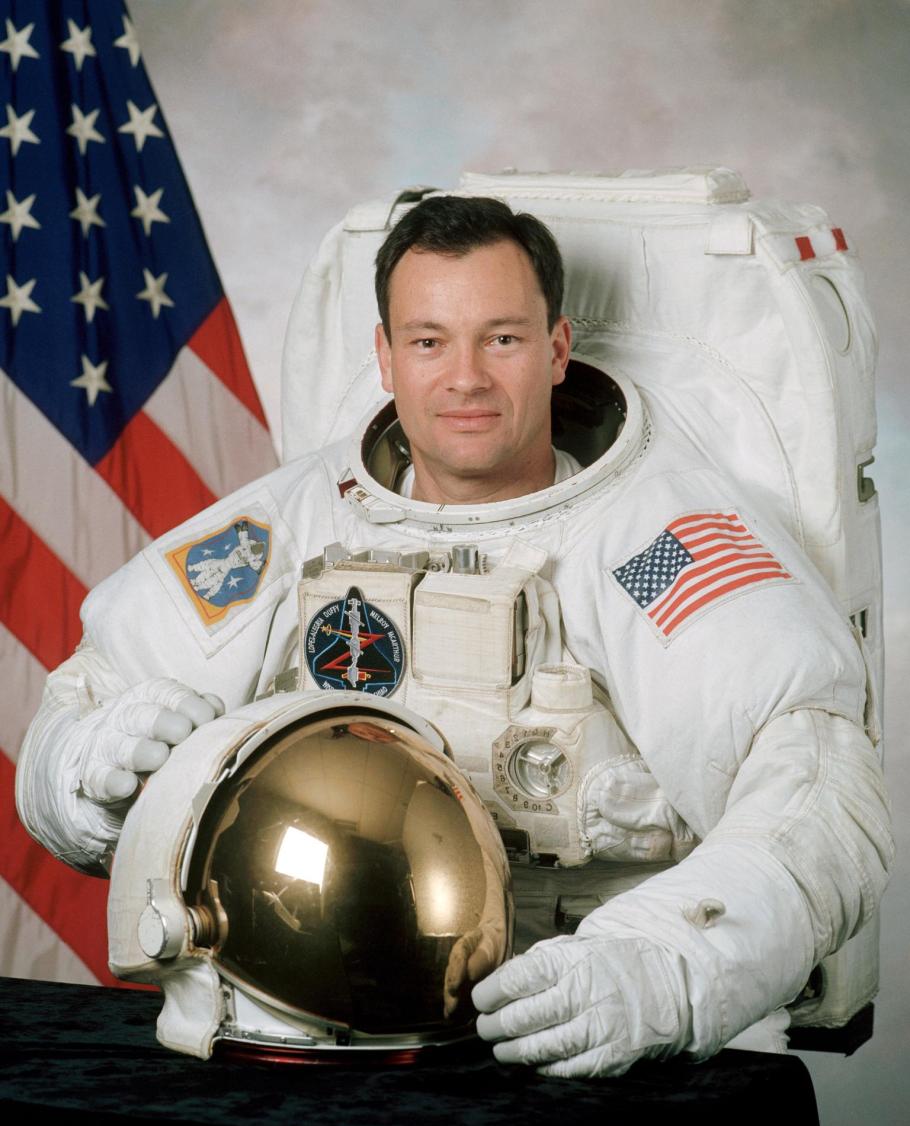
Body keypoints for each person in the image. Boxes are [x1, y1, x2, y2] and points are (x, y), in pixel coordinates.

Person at [17, 195, 892, 1078]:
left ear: (557, 350)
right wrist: (83, 778)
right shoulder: (290, 524)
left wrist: (666, 967)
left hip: (588, 1040)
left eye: (502, 339)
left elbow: (822, 787)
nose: (465, 377)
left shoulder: (654, 542)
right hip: (312, 1039)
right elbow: (79, 706)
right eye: (430, 341)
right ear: (386, 357)